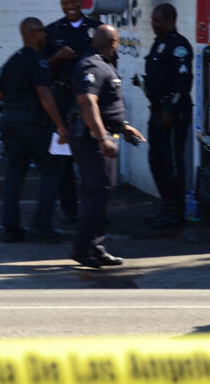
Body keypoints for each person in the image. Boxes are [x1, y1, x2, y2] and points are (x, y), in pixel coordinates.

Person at [69, 25, 146, 268]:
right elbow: (87, 102)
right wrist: (102, 138)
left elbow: (106, 106)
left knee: (101, 191)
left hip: (103, 134)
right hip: (91, 138)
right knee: (98, 190)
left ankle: (96, 246)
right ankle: (83, 249)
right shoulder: (91, 65)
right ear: (114, 43)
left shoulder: (104, 65)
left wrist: (123, 127)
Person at [0, 17, 69, 243]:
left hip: (9, 122)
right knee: (53, 169)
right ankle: (41, 226)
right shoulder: (38, 61)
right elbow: (43, 94)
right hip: (33, 124)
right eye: (43, 31)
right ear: (33, 34)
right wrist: (60, 125)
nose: (46, 35)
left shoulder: (12, 60)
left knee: (15, 172)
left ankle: (10, 228)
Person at [45, 0, 103, 224]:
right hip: (62, 98)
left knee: (92, 156)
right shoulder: (53, 31)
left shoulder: (96, 29)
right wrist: (57, 57)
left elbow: (109, 61)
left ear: (81, 1)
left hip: (89, 100)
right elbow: (42, 67)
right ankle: (69, 210)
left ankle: (96, 210)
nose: (70, 7)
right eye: (65, 3)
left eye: (74, 2)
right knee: (63, 159)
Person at [139, 3, 193, 228]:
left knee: (171, 162)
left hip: (172, 114)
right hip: (157, 110)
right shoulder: (158, 43)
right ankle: (166, 205)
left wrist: (172, 111)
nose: (153, 24)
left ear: (170, 21)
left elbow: (183, 82)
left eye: (157, 20)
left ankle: (176, 211)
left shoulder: (178, 45)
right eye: (153, 19)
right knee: (156, 161)